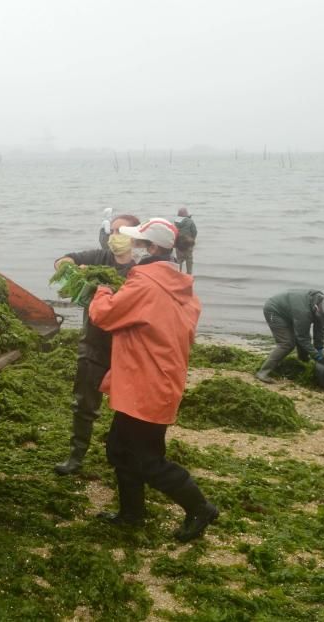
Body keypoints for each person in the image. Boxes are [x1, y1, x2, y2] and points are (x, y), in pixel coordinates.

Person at [89, 217, 217, 542]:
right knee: (119, 449)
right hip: (159, 379)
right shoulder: (179, 285)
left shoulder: (144, 284)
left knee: (147, 460)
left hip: (145, 383)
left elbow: (104, 315)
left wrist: (101, 290)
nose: (132, 248)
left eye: (138, 243)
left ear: (152, 248)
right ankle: (132, 514)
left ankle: (201, 508)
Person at [52, 213, 141, 476]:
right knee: (84, 403)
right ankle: (76, 457)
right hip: (92, 342)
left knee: (127, 407)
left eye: (122, 232)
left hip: (126, 347)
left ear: (135, 238)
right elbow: (63, 260)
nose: (115, 237)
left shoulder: (141, 269)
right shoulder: (98, 258)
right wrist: (72, 271)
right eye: (112, 231)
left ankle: (121, 456)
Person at [255, 290, 324, 383]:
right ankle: (262, 372)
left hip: (290, 311)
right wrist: (317, 357)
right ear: (316, 309)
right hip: (275, 310)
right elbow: (302, 338)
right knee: (287, 343)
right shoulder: (303, 312)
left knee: (301, 339)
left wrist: (320, 349)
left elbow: (319, 330)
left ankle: (303, 361)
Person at [173, 208, 197, 274]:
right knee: (189, 259)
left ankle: (178, 273)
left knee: (179, 259)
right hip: (188, 243)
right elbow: (194, 232)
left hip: (179, 243)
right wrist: (192, 239)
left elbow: (174, 231)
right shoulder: (190, 221)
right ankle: (189, 274)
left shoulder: (176, 221)